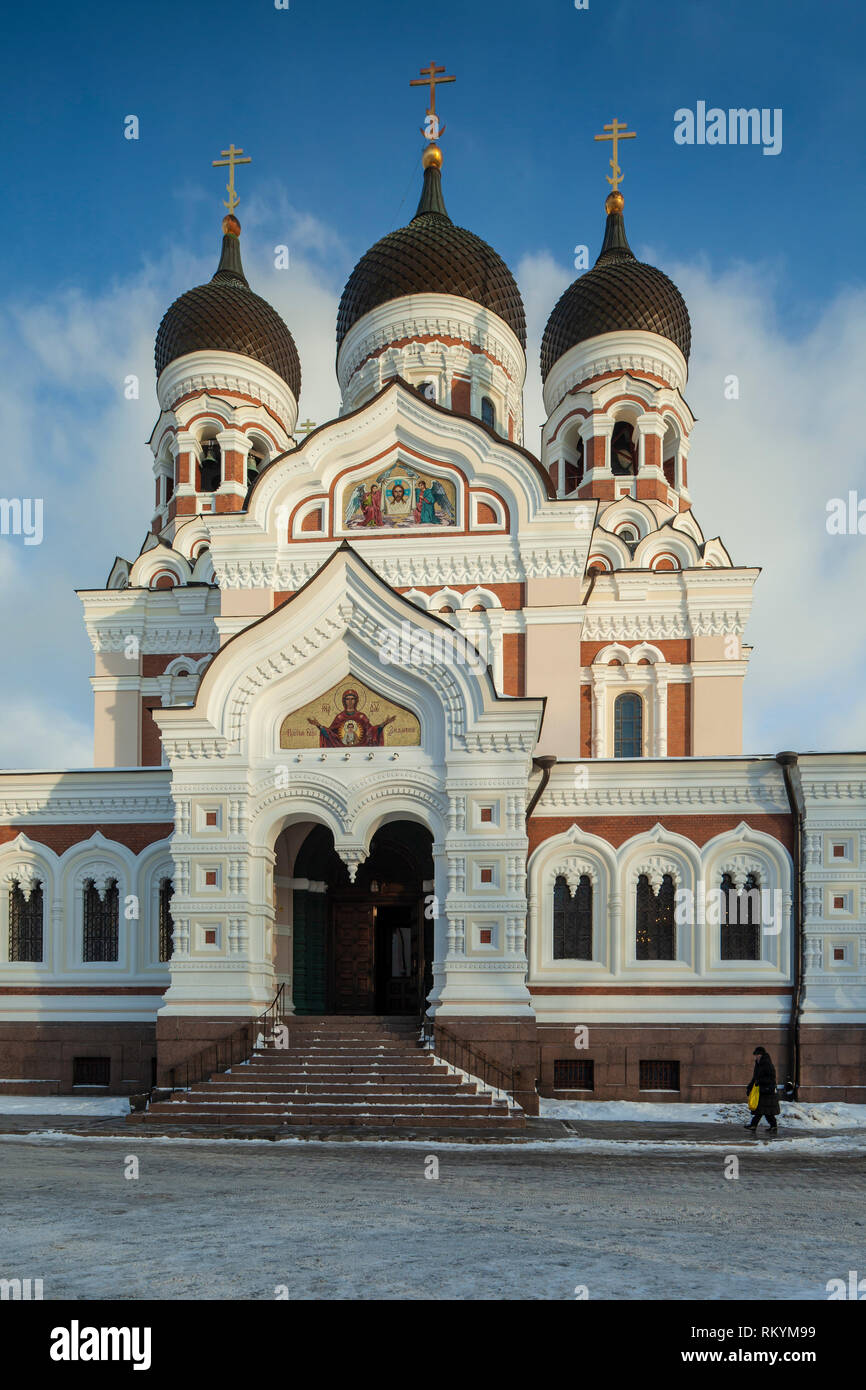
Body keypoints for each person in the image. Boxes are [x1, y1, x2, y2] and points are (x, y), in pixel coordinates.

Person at [744, 1046, 780, 1133]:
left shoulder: (767, 1064)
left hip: (768, 1091)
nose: (756, 1057)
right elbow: (755, 1078)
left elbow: (771, 1078)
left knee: (764, 1110)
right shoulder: (758, 1064)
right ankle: (760, 1125)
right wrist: (749, 1087)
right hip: (761, 1090)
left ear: (761, 1055)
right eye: (755, 1055)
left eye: (757, 1055)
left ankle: (758, 1125)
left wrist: (760, 1081)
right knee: (761, 1109)